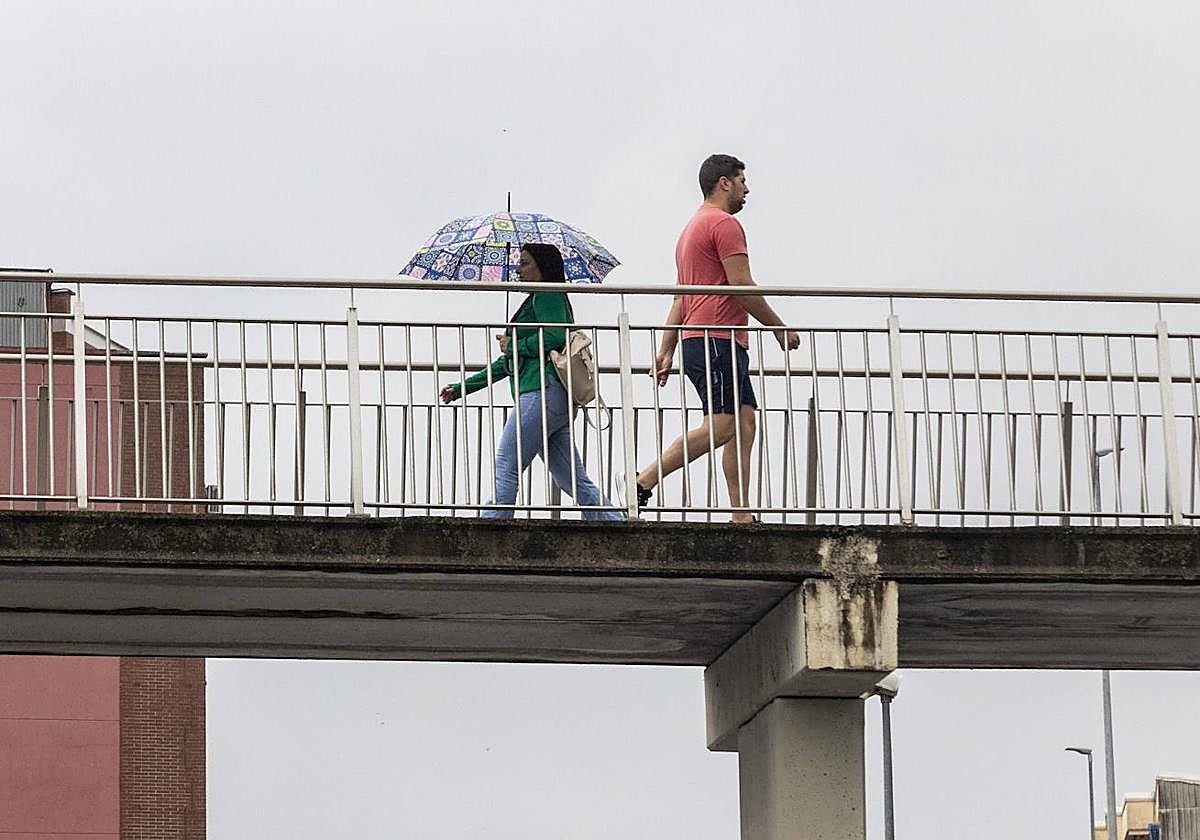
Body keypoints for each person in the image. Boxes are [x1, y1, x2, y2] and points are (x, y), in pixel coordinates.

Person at [631, 154, 799, 523]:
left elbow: (681, 296)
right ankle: (642, 481)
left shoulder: (691, 228)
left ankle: (741, 515)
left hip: (709, 339)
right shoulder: (723, 225)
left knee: (744, 422)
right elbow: (741, 286)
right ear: (724, 182)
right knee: (721, 427)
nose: (747, 188)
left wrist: (666, 350)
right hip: (715, 338)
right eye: (742, 180)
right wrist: (778, 327)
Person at [440, 243, 623, 521]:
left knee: (506, 462)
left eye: (525, 263)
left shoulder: (547, 295)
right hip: (553, 399)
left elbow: (555, 336)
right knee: (571, 478)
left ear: (542, 266)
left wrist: (515, 344)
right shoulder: (537, 299)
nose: (518, 269)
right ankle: (614, 524)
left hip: (540, 392)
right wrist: (463, 388)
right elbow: (508, 364)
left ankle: (492, 528)